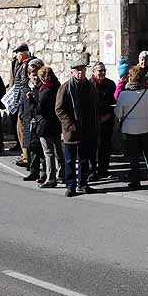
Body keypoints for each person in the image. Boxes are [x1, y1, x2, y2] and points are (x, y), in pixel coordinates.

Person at [56, 57, 101, 197]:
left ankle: (82, 184)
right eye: (77, 70)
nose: (80, 73)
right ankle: (71, 186)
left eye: (82, 70)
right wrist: (70, 124)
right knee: (70, 160)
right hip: (72, 131)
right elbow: (59, 109)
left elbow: (95, 106)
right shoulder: (65, 87)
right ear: (72, 72)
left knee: (84, 159)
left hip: (87, 129)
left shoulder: (90, 87)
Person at [115, 65, 148, 189]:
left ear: (130, 78)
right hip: (147, 126)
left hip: (130, 129)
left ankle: (136, 180)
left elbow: (118, 113)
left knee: (134, 155)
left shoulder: (124, 95)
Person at [9, 43, 39, 163]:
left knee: (24, 129)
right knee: (20, 129)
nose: (16, 57)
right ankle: (25, 154)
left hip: (25, 101)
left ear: (23, 55)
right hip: (20, 101)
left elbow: (24, 83)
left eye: (18, 55)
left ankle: (27, 157)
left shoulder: (29, 64)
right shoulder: (20, 65)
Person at [35, 66, 63, 188]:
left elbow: (39, 109)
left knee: (48, 152)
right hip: (56, 123)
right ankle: (62, 174)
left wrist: (32, 100)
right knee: (58, 151)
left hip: (45, 124)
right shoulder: (58, 86)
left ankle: (51, 178)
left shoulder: (45, 90)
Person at [91, 61, 117, 181]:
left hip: (107, 119)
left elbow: (113, 102)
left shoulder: (111, 84)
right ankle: (92, 170)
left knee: (105, 146)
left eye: (104, 70)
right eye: (99, 70)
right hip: (92, 120)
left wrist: (108, 115)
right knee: (92, 146)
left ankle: (103, 170)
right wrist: (96, 117)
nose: (102, 73)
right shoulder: (88, 85)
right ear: (93, 72)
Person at [20, 59, 46, 180]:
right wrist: (21, 114)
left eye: (36, 75)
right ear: (29, 75)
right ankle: (33, 171)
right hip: (28, 121)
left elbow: (41, 105)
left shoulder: (42, 88)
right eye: (32, 75)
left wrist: (33, 98)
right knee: (32, 147)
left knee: (42, 149)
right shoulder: (25, 88)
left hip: (39, 121)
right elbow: (22, 103)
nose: (35, 78)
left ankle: (43, 173)